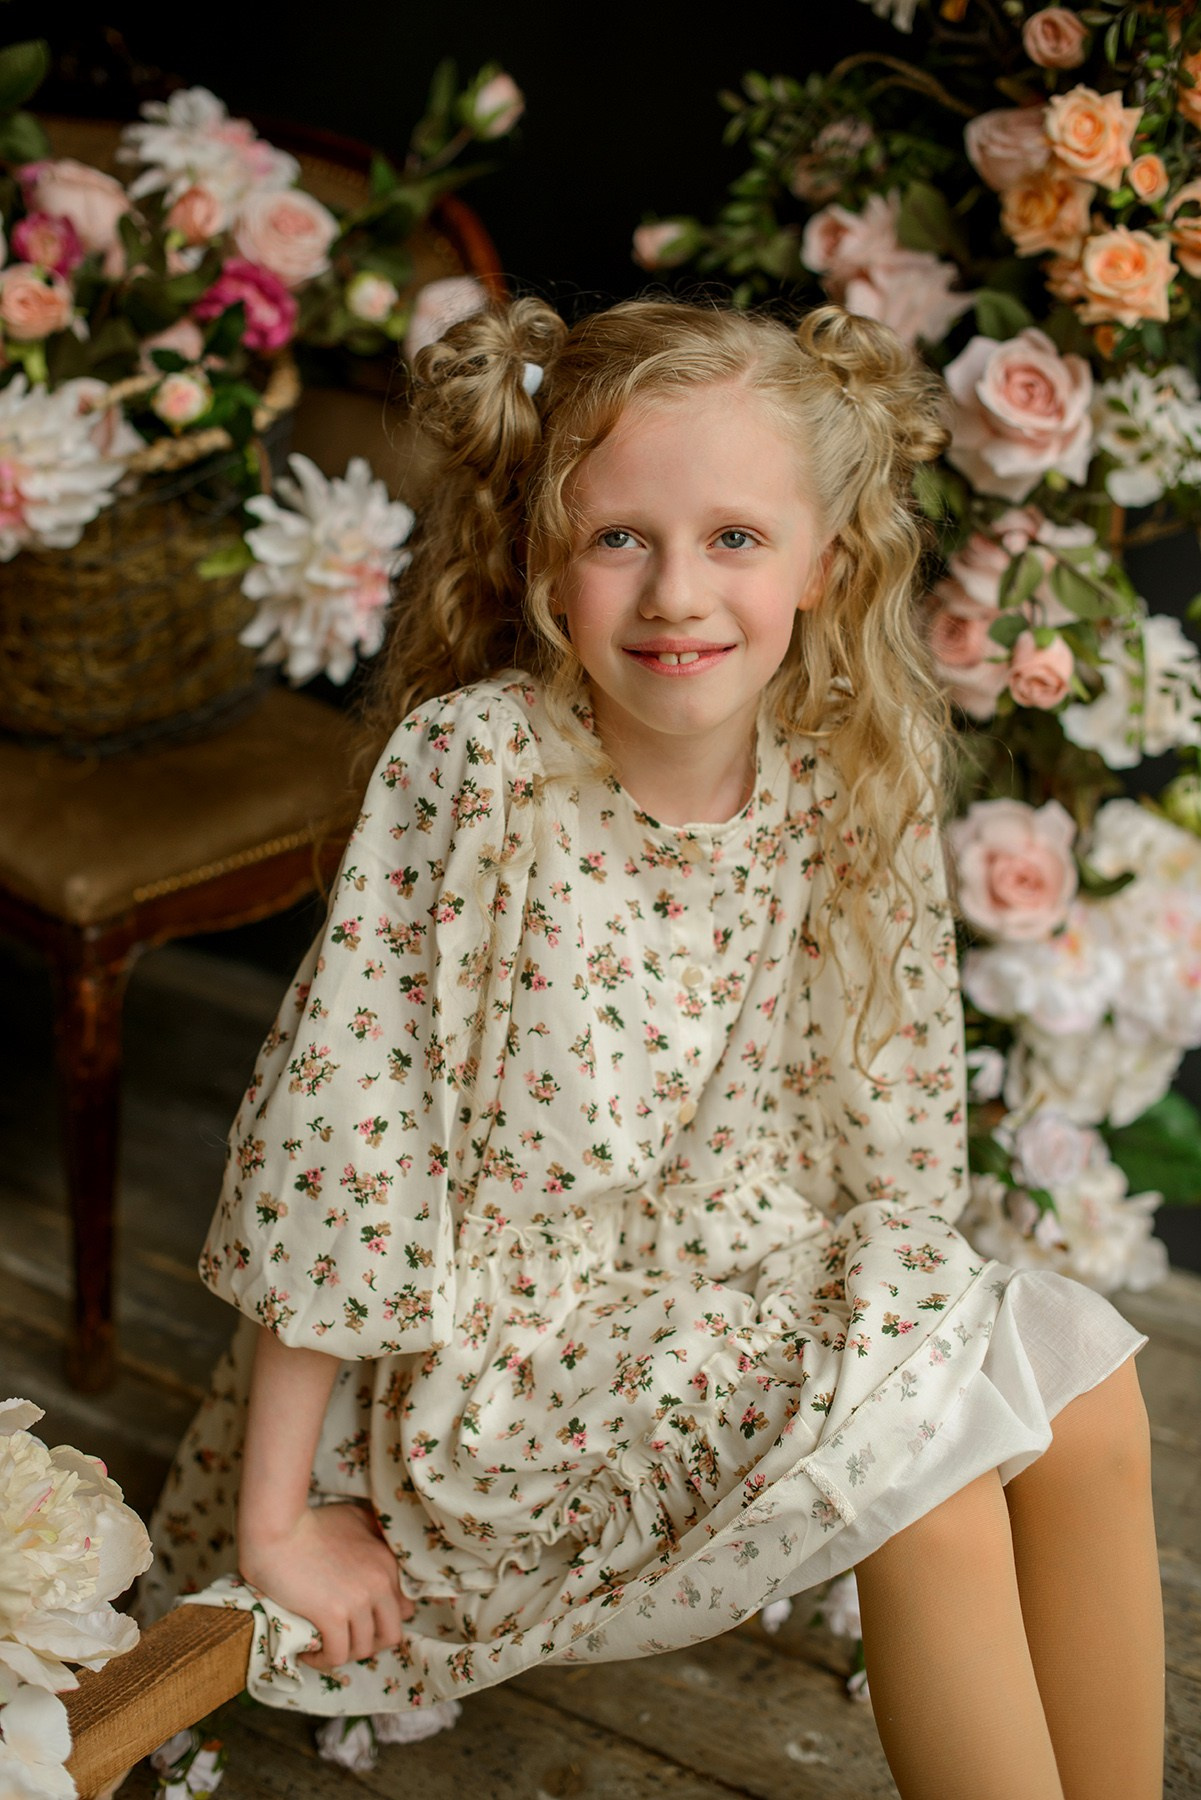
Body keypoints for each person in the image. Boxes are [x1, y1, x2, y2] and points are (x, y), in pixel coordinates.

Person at [143, 297, 1163, 1799]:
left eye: (736, 539)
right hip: (491, 1368)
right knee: (929, 1491)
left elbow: (887, 1136)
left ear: (825, 559)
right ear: (546, 556)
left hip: (712, 1284)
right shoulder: (482, 773)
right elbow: (350, 1140)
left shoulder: (841, 780)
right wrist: (280, 1518)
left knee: (1087, 1393)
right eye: (620, 537)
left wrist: (892, 1381)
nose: (677, 592)